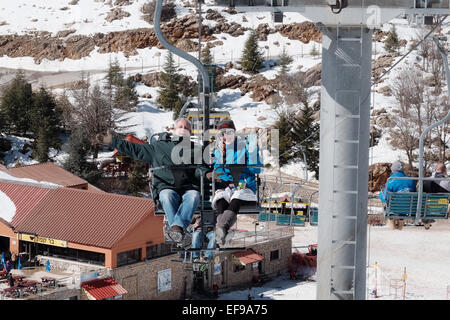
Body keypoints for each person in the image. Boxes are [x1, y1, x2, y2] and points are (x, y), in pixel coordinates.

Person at [103, 118, 204, 248]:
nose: (183, 129)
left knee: (194, 196)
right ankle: (179, 231)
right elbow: (136, 149)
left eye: (186, 128)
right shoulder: (159, 147)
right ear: (173, 130)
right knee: (166, 196)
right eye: (180, 126)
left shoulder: (195, 149)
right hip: (166, 185)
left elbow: (202, 168)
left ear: (190, 132)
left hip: (188, 186)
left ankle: (176, 229)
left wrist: (205, 173)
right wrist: (113, 141)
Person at [211, 119, 263, 246]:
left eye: (228, 132)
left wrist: (247, 161)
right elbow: (217, 170)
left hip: (244, 184)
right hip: (229, 186)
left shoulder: (245, 146)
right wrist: (225, 180)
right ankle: (223, 230)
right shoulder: (219, 151)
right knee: (221, 198)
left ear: (234, 133)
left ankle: (221, 229)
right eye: (222, 133)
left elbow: (256, 169)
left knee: (237, 196)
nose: (225, 136)